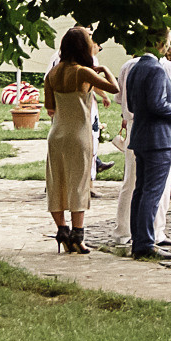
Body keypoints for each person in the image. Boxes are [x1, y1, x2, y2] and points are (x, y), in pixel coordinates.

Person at [43, 27, 118, 253]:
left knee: (56, 183)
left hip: (56, 135)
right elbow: (113, 88)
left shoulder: (52, 75)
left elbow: (50, 107)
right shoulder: (83, 72)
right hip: (79, 134)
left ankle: (62, 231)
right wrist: (104, 69)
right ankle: (78, 235)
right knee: (78, 184)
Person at [122, 29, 171, 261]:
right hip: (159, 138)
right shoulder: (156, 69)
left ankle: (139, 238)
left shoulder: (134, 68)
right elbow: (159, 105)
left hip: (141, 135)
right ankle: (145, 243)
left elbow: (131, 103)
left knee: (140, 191)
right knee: (151, 192)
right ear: (161, 43)